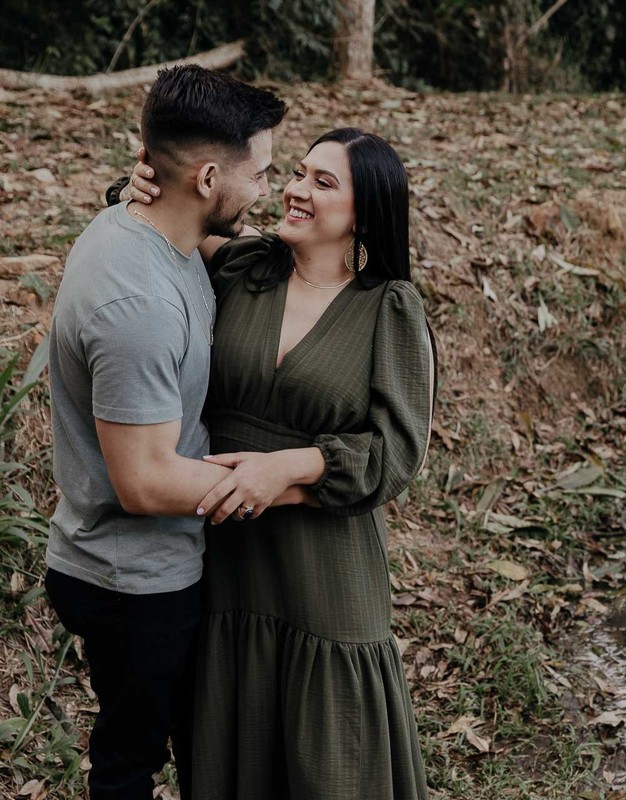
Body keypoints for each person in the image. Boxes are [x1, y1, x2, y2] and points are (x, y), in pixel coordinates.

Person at [126, 127, 436, 799]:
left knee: (328, 763)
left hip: (324, 572)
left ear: (365, 210)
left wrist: (291, 470)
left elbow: (397, 453)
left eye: (323, 183)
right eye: (298, 173)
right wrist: (143, 185)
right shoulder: (246, 267)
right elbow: (165, 222)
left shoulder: (388, 308)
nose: (296, 189)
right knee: (233, 739)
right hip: (227, 560)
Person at [45, 66, 288, 800]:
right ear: (209, 177)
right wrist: (286, 480)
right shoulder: (138, 303)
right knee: (132, 764)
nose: (269, 191)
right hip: (130, 578)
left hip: (145, 565)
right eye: (263, 173)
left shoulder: (152, 229)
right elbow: (147, 480)